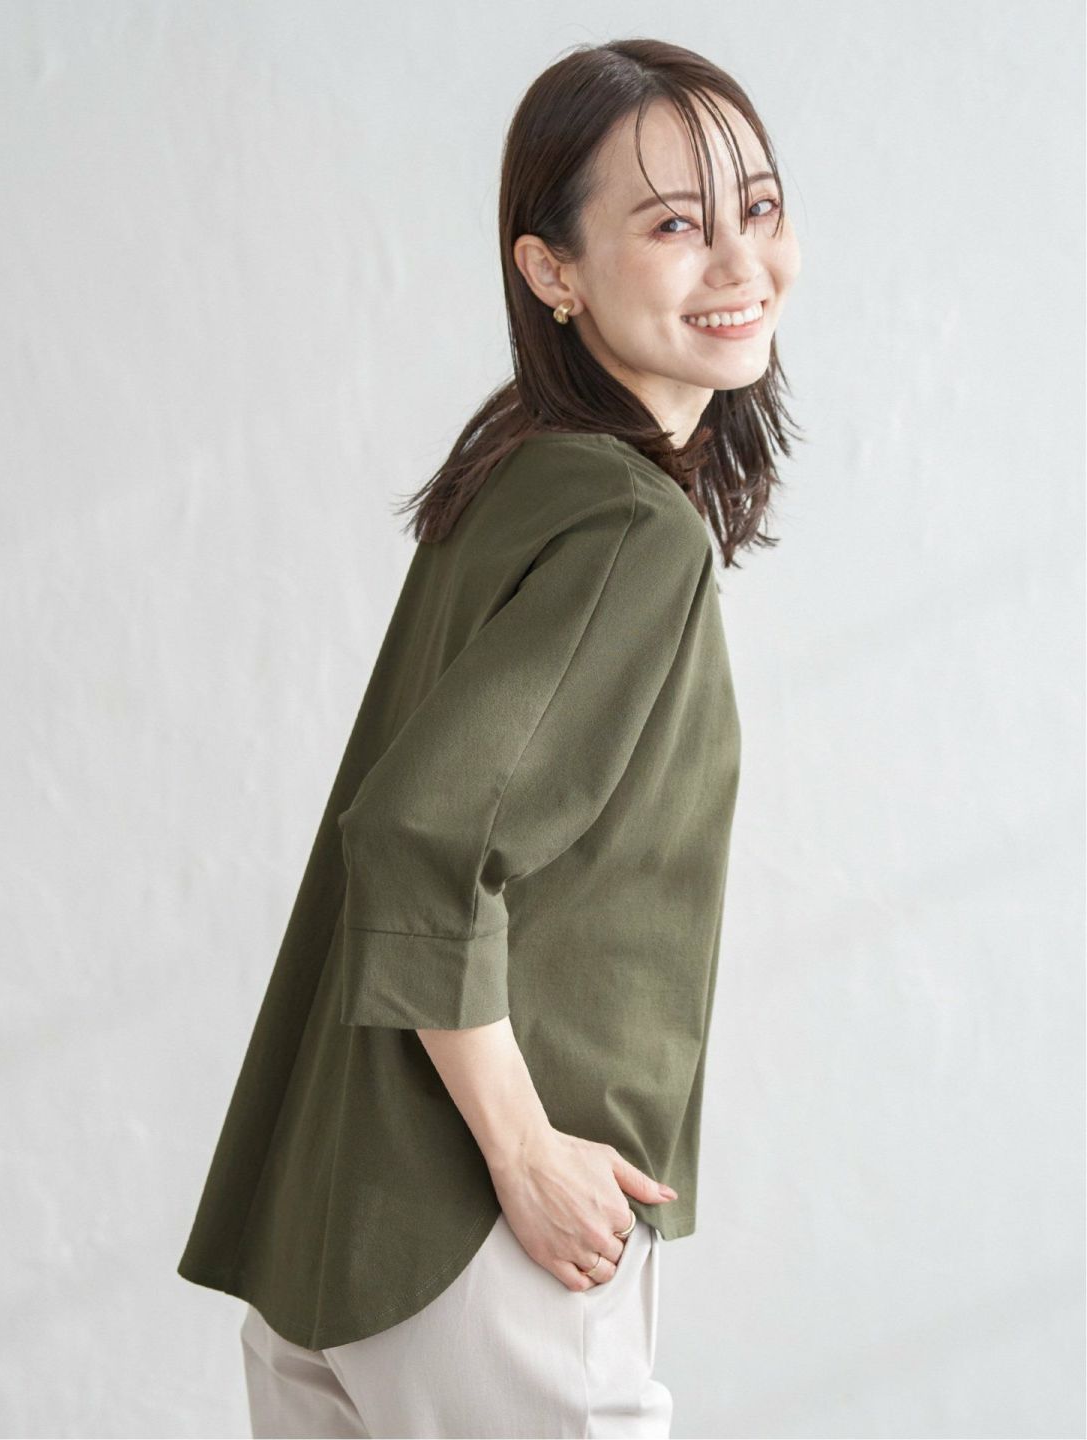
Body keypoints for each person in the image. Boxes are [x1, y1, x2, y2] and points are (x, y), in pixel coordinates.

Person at [178, 35, 802, 1440]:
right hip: (479, 1242)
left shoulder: (523, 471)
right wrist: (525, 1155)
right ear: (552, 271)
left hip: (338, 1217)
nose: (739, 263)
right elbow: (419, 839)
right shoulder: (631, 529)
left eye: (758, 208)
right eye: (674, 225)